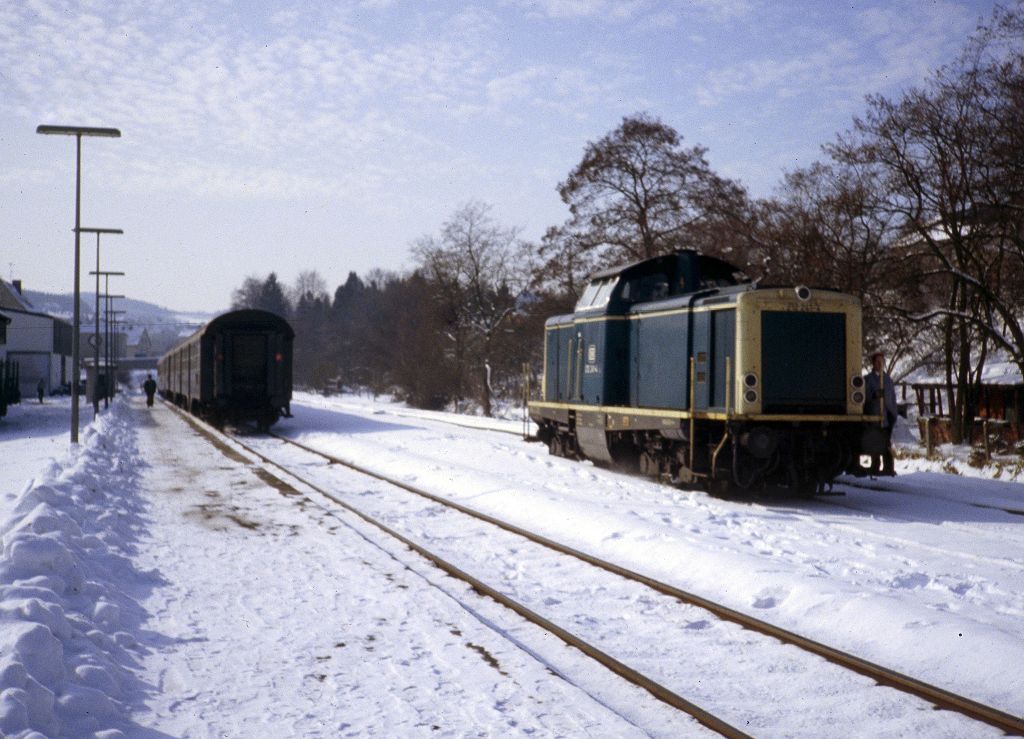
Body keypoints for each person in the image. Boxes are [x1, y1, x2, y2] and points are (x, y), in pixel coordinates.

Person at [864, 350, 898, 476]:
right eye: (877, 362)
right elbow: (865, 398)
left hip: (886, 418)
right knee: (875, 442)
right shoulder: (868, 380)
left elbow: (892, 398)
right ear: (873, 363)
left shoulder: (888, 380)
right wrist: (874, 395)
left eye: (881, 362)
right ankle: (875, 466)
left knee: (886, 443)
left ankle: (888, 468)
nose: (880, 364)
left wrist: (893, 414)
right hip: (873, 417)